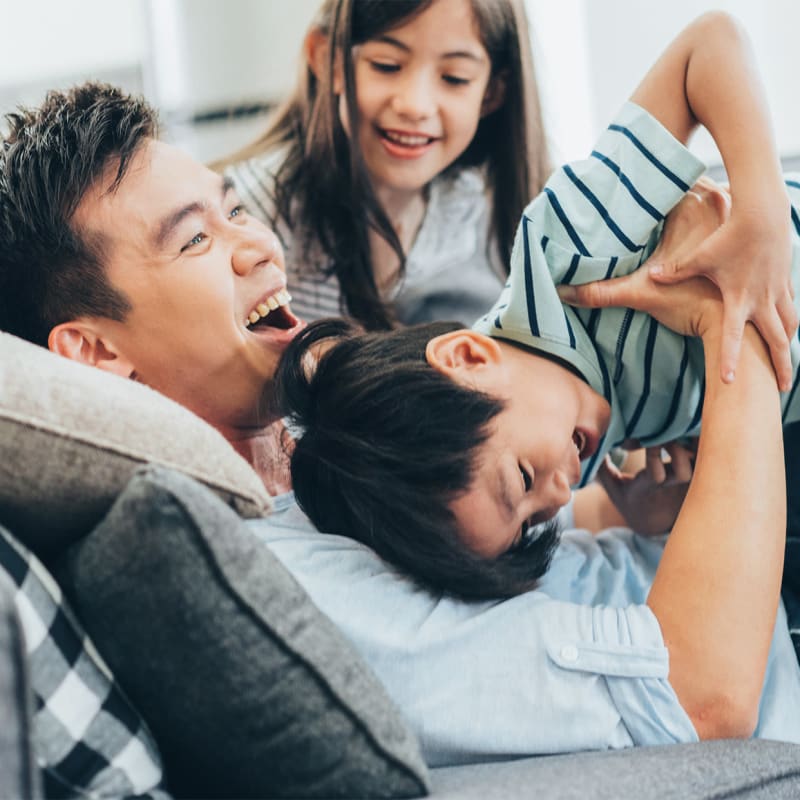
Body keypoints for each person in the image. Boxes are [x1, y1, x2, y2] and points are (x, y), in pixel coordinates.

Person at [0, 51, 796, 766]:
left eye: (234, 210)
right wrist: (733, 314)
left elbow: (521, 531)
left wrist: (625, 506)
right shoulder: (288, 582)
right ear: (98, 354)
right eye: (194, 242)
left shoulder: (320, 444)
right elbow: (698, 694)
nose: (261, 248)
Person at [274, 10, 800, 597]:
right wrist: (645, 514)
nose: (556, 496)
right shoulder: (575, 431)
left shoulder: (568, 250)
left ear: (469, 357)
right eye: (529, 524)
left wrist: (762, 214)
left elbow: (711, 45)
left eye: (523, 478)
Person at [218, 0, 550, 329]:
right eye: (387, 65)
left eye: (455, 78)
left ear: (492, 93)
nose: (415, 106)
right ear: (327, 60)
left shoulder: (478, 205)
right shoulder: (251, 214)